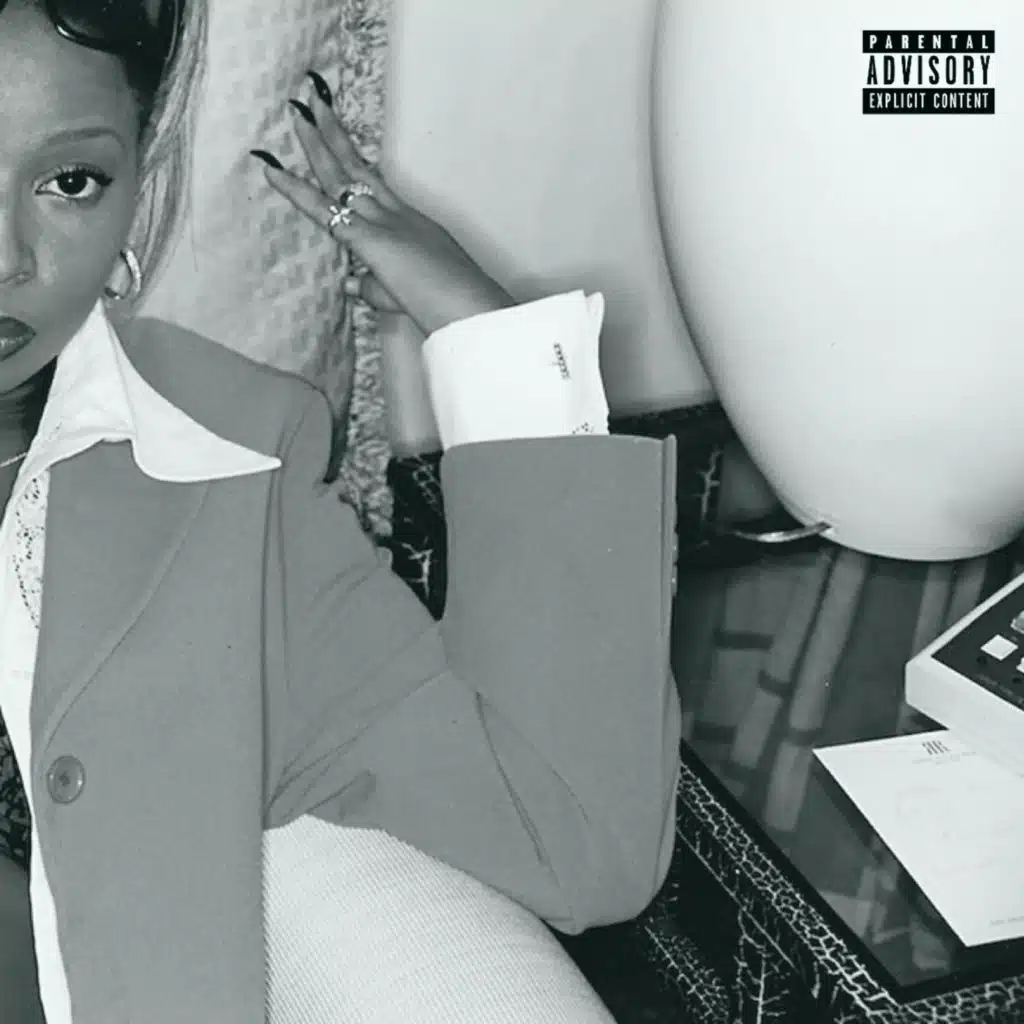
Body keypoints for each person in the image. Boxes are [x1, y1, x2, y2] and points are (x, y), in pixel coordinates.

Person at [0, 1, 681, 1020]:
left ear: (142, 182)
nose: (7, 258)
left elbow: (571, 833)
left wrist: (487, 339)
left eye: (70, 182)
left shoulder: (226, 461)